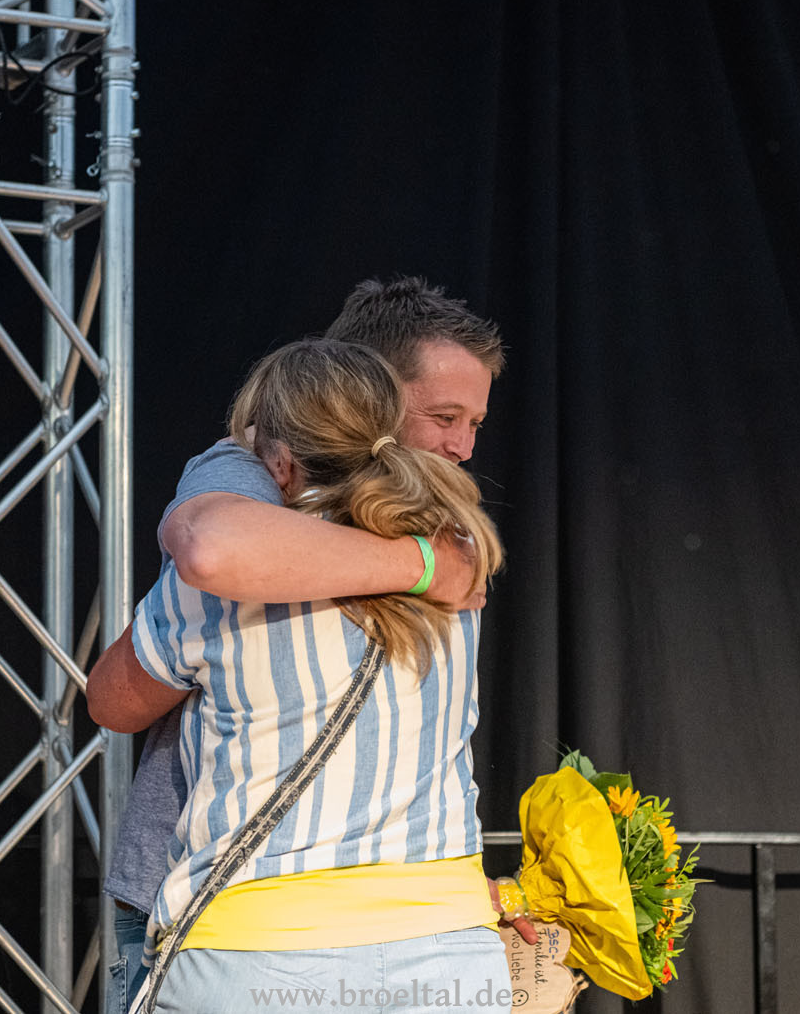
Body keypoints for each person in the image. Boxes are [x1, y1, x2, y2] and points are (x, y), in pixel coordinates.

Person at [97, 277, 519, 1012]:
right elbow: (214, 544)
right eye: (445, 416)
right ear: (368, 390)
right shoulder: (450, 551)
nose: (462, 445)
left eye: (475, 422)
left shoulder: (450, 547)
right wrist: (421, 567)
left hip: (253, 938)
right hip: (417, 940)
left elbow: (112, 699)